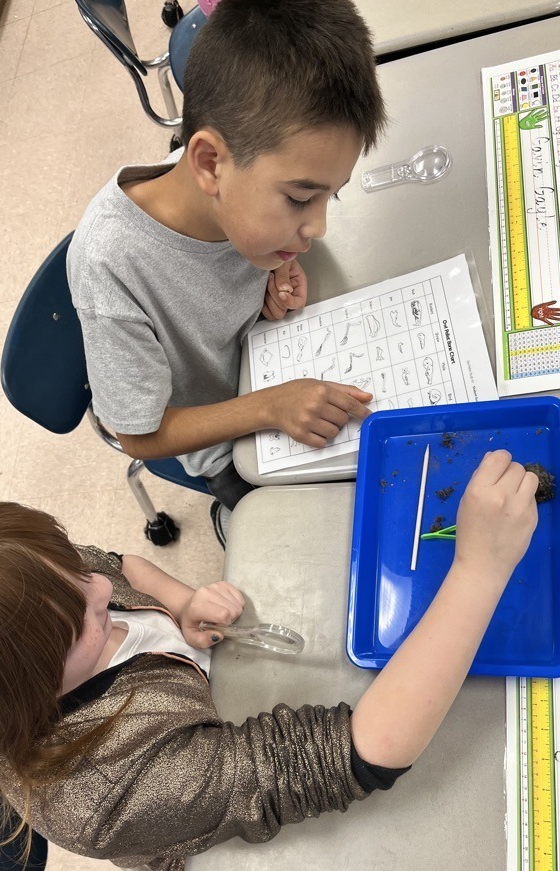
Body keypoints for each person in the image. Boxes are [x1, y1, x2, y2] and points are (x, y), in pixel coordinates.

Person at [0, 452, 538, 871]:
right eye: (83, 616)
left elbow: (119, 566)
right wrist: (480, 570)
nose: (98, 584)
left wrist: (178, 604)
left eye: (70, 562)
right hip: (186, 822)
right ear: (26, 695)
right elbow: (363, 753)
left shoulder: (51, 592)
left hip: (197, 709)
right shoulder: (108, 790)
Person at [66, 0, 387, 535]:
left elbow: (227, 269)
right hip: (221, 437)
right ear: (209, 163)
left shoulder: (235, 194)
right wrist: (269, 407)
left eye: (330, 197)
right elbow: (138, 437)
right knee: (325, 535)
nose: (319, 229)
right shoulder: (111, 263)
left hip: (270, 362)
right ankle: (228, 515)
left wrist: (272, 272)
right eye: (300, 199)